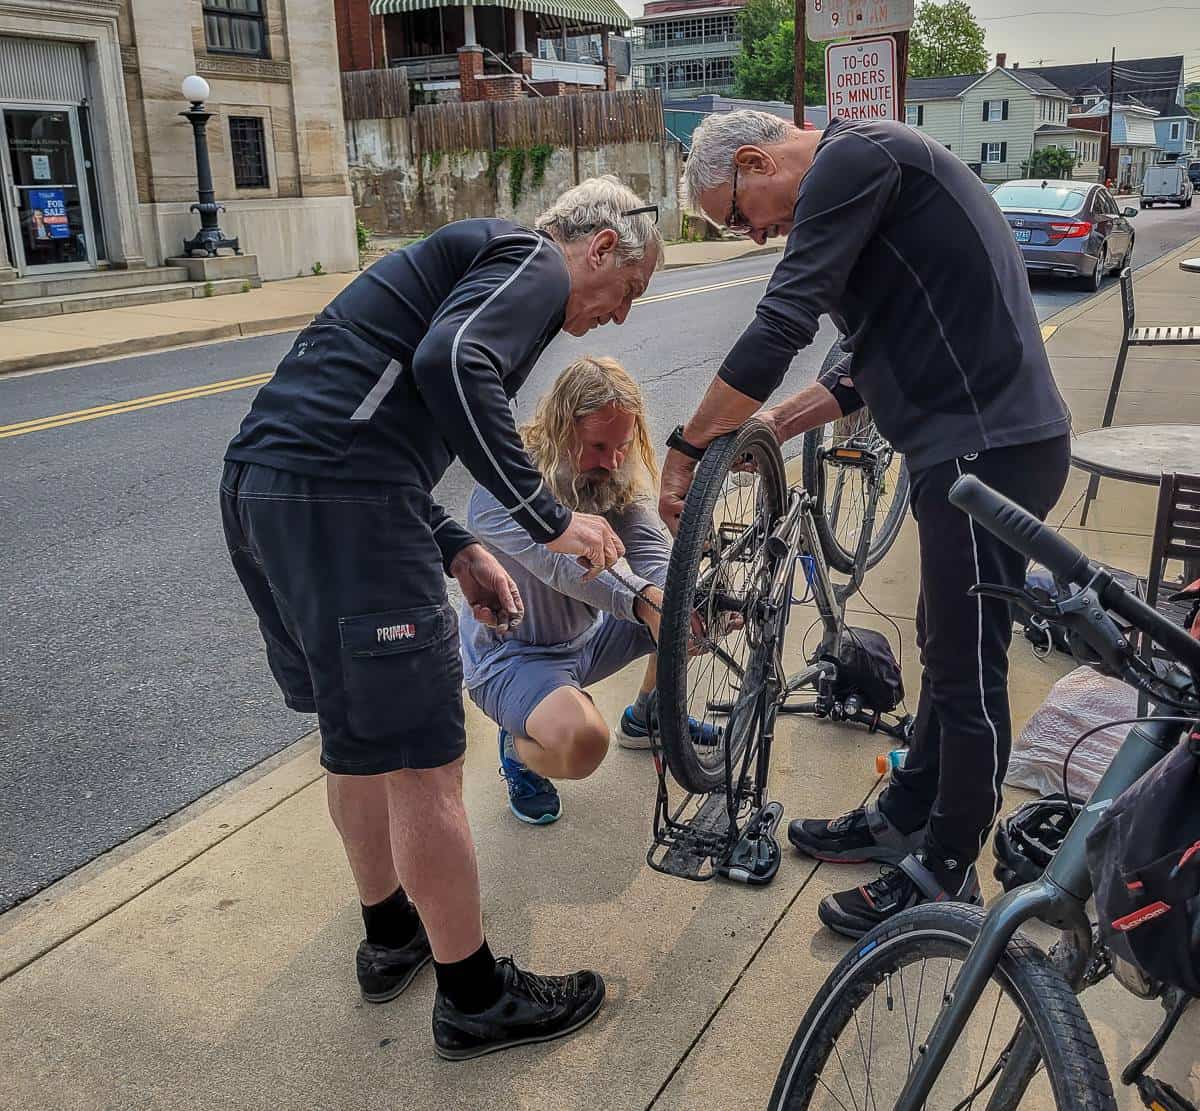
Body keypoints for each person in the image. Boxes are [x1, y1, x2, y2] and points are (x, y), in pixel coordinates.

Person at [220, 176, 661, 1058]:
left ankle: (391, 935)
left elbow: (367, 424)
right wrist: (547, 516)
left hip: (266, 490)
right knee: (426, 764)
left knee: (355, 738)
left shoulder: (469, 260)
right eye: (628, 293)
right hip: (346, 506)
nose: (617, 317)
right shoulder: (533, 261)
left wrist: (456, 541)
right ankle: (474, 995)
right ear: (601, 247)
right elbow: (451, 362)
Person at [659, 111, 1072, 938]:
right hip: (970, 442)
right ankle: (907, 813)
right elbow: (855, 368)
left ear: (754, 159)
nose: (758, 232)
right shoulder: (870, 168)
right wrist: (771, 427)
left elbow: (784, 321)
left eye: (740, 215)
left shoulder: (853, 161)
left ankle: (947, 869)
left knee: (966, 668)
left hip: (986, 444)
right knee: (942, 643)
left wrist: (688, 443)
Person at [459, 356, 719, 825]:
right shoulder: (503, 490)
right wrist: (645, 602)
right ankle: (519, 747)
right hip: (516, 658)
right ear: (562, 429)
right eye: (598, 445)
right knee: (584, 744)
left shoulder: (610, 471)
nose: (613, 461)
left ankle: (649, 715)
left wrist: (680, 604)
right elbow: (563, 567)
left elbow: (649, 551)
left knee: (689, 607)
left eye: (622, 446)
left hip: (590, 639)